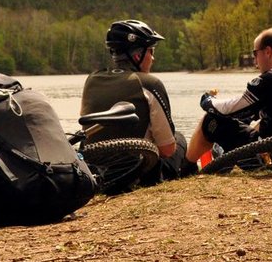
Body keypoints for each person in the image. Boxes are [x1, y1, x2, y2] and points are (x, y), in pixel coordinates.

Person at [186, 27, 272, 164]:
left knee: (210, 120)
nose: (255, 62)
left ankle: (186, 168)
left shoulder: (271, 78)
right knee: (254, 120)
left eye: (255, 54)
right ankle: (220, 164)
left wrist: (208, 101)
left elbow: (229, 109)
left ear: (268, 52)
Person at [80, 19, 194, 182]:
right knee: (179, 139)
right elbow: (167, 149)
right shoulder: (149, 83)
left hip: (98, 172)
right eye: (151, 51)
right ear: (138, 55)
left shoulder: (91, 80)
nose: (153, 58)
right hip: (139, 174)